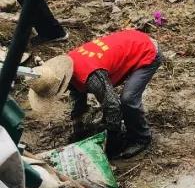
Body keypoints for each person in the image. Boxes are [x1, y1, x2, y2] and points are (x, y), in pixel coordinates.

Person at [28, 29, 162, 159]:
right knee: (112, 101)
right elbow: (77, 93)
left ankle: (142, 138)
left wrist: (112, 141)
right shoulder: (67, 67)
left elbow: (113, 106)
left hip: (147, 51)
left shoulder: (91, 77)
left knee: (128, 100)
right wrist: (78, 124)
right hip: (130, 40)